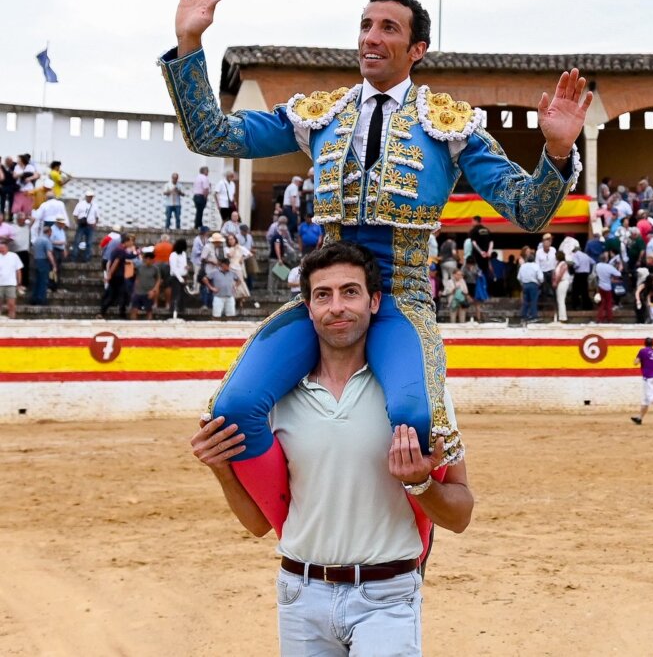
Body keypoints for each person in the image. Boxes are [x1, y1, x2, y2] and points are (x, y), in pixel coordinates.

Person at [162, 0, 590, 528]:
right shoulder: (320, 115)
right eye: (366, 25)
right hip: (328, 293)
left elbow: (527, 209)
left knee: (414, 419)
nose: (371, 36)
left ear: (417, 49)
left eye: (388, 28)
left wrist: (556, 152)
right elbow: (211, 134)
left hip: (401, 299)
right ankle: (287, 526)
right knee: (233, 409)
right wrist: (190, 43)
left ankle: (415, 544)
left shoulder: (450, 125)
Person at [189, 242, 472, 656]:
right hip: (300, 595)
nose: (337, 307)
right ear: (308, 308)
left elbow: (460, 515)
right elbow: (259, 524)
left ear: (374, 301)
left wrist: (421, 483)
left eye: (350, 292)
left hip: (387, 596)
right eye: (323, 295)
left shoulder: (422, 395)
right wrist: (221, 468)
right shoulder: (276, 400)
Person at [517, 251, 543, 323]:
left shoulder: (522, 266)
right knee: (533, 301)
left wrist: (522, 284)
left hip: (525, 285)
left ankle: (524, 316)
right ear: (534, 259)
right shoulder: (536, 266)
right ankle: (533, 316)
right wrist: (540, 283)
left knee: (525, 301)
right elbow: (540, 277)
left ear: (526, 259)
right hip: (533, 285)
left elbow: (519, 277)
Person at [0, 238, 22, 317]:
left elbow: (18, 271)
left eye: (3, 247)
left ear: (7, 247)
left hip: (11, 283)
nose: (1, 249)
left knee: (11, 303)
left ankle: (12, 317)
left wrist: (19, 283)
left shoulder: (14, 256)